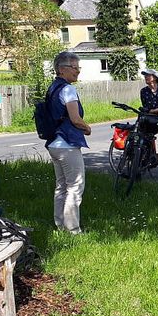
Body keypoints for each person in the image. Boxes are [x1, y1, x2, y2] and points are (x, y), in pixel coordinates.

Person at [46, 51, 91, 235]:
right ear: (62, 69)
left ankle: (60, 225)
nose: (78, 71)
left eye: (78, 67)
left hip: (54, 144)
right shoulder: (68, 89)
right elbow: (75, 118)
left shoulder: (53, 88)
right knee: (75, 187)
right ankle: (73, 230)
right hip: (67, 145)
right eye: (75, 68)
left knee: (61, 186)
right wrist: (87, 128)